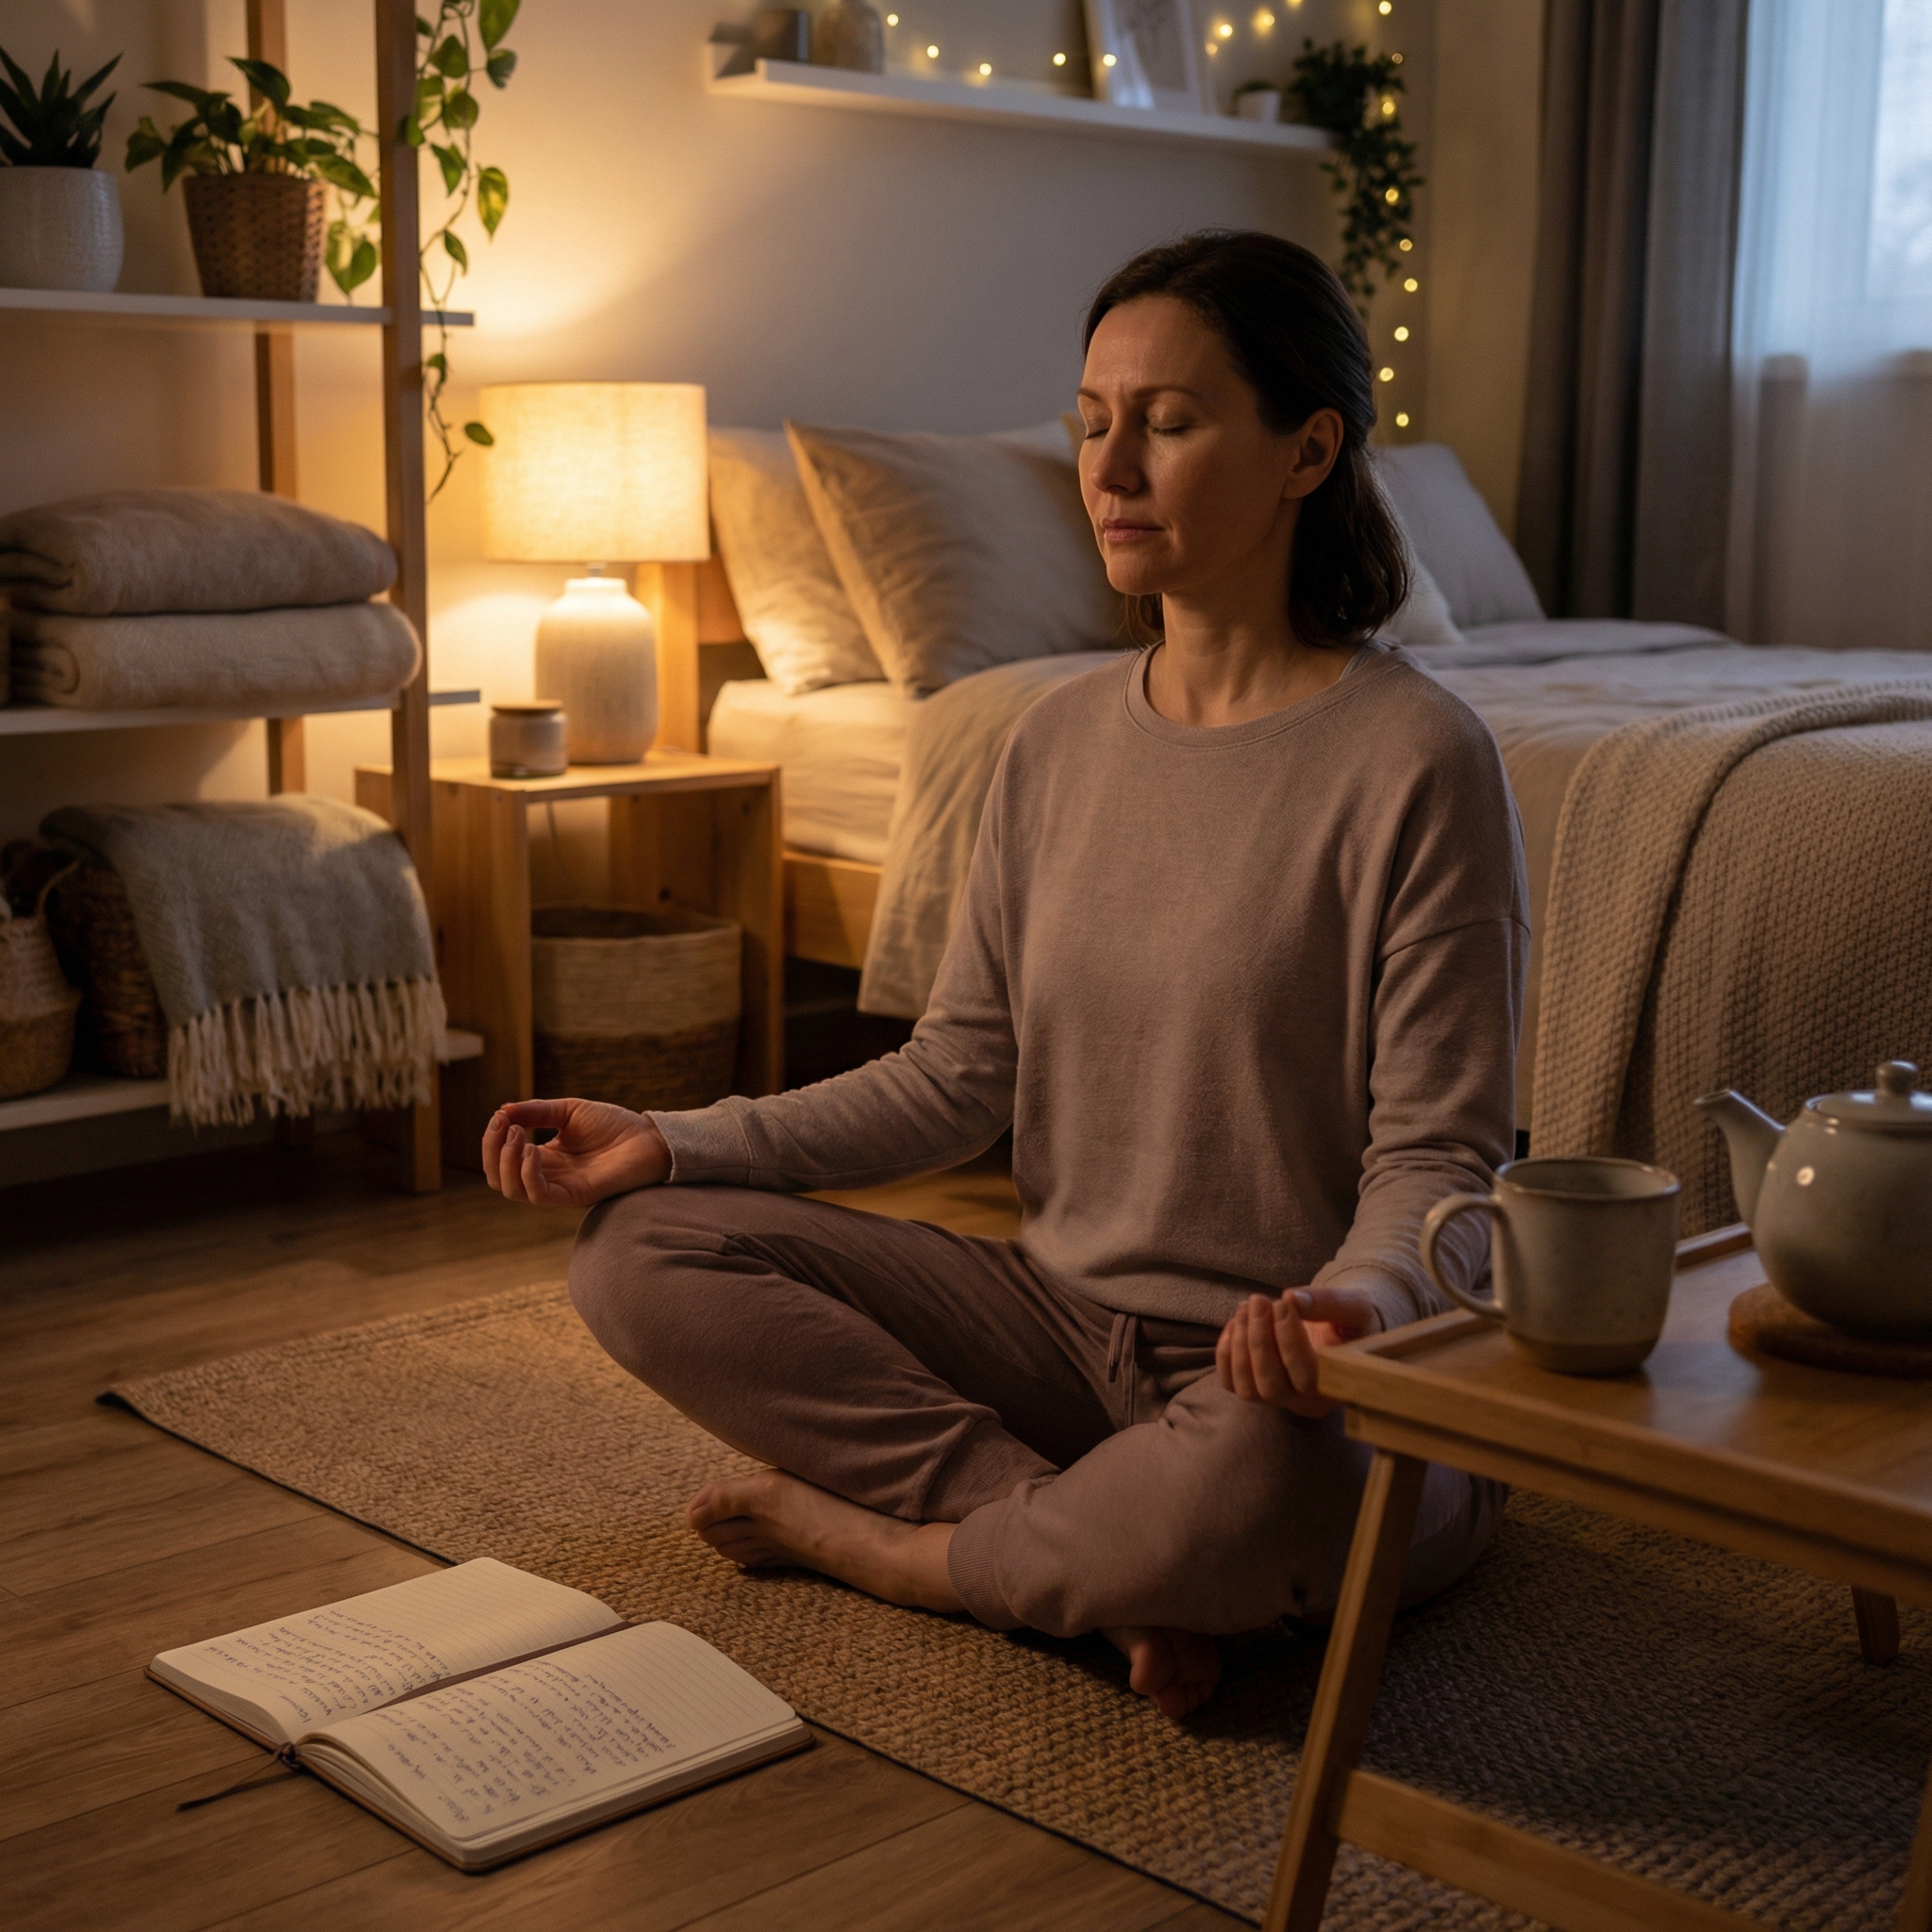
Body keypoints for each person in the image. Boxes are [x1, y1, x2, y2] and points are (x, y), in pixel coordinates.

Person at [482, 230, 1528, 1720]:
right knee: (639, 1254)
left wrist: (1352, 1309)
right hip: (1064, 1324)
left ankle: (908, 1553)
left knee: (1266, 1480)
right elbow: (954, 1076)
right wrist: (674, 1142)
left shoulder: (1419, 759)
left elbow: (1444, 1151)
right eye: (1091, 423)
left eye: (1167, 424)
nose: (1109, 469)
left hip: (1300, 1382)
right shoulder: (1048, 741)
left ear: (1308, 450)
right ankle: (1079, 1544)